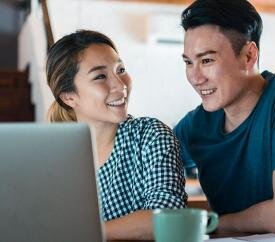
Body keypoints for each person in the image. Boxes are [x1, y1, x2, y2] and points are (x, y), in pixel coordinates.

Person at [174, 0, 275, 236]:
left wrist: (208, 225)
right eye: (189, 62)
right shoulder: (195, 125)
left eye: (207, 60)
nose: (195, 77)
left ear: (248, 55)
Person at [46, 30, 187, 240]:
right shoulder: (57, 161)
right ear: (69, 97)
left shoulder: (150, 135)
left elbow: (169, 218)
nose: (120, 85)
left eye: (120, 70)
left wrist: (87, 233)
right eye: (100, 76)